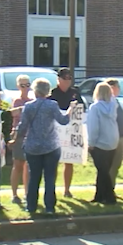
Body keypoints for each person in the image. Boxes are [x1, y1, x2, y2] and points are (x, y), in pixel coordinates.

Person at [16, 78, 75, 215]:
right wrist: (70, 110)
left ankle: (31, 206)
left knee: (34, 177)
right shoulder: (52, 105)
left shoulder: (28, 107)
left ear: (34, 91)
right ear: (48, 92)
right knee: (50, 178)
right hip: (51, 146)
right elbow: (63, 120)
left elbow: (23, 127)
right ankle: (49, 207)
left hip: (32, 146)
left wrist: (16, 138)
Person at [49, 68, 84, 198]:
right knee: (53, 162)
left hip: (70, 132)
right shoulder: (52, 93)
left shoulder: (75, 93)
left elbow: (82, 109)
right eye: (65, 79)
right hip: (56, 132)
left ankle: (67, 190)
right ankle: (51, 188)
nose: (67, 81)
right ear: (58, 79)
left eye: (69, 78)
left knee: (69, 161)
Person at [87, 82, 120, 205]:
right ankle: (99, 195)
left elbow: (93, 127)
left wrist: (91, 142)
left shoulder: (94, 108)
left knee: (102, 170)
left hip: (100, 141)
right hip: (113, 140)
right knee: (103, 170)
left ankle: (110, 197)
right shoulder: (114, 105)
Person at [9, 75, 32, 204]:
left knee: (27, 166)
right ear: (18, 86)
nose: (26, 88)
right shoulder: (17, 101)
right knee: (18, 164)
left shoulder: (31, 100)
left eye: (28, 85)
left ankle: (27, 193)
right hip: (18, 134)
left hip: (30, 135)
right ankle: (14, 194)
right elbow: (15, 117)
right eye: (23, 85)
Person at [105, 78, 123, 189]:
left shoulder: (116, 101)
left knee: (116, 164)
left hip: (121, 136)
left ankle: (111, 188)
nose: (119, 89)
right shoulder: (107, 103)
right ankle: (108, 189)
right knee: (111, 165)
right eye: (117, 87)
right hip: (112, 137)